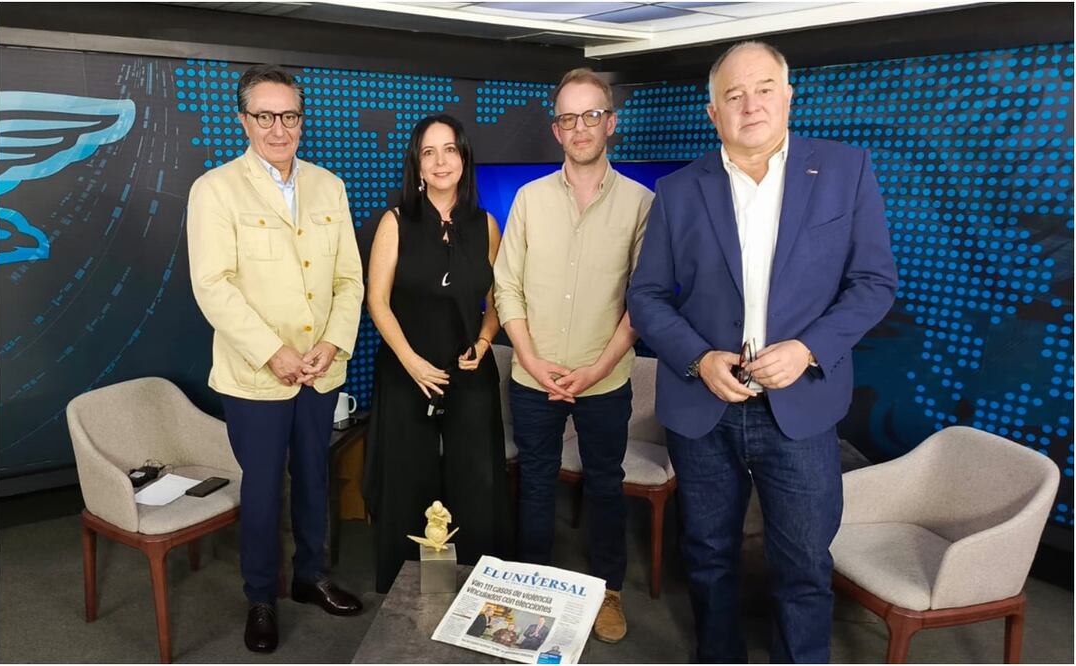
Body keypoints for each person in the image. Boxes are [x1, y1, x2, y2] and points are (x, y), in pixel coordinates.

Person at [627, 41, 898, 662]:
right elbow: (645, 298)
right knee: (709, 556)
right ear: (712, 112)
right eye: (733, 95)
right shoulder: (676, 190)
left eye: (764, 89)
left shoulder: (845, 171)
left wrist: (808, 349)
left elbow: (874, 283)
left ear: (788, 96)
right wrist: (698, 358)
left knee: (803, 562)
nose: (751, 105)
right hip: (705, 407)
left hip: (800, 407)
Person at [187, 64, 365, 654]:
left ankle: (311, 577)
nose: (278, 128)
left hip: (320, 369)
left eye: (289, 115)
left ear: (300, 118)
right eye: (264, 115)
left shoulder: (329, 186)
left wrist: (332, 344)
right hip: (255, 375)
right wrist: (275, 352)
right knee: (263, 489)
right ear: (244, 119)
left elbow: (349, 279)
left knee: (315, 479)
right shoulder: (215, 190)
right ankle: (261, 595)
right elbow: (213, 286)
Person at [494, 67, 653, 645]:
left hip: (603, 379)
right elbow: (507, 286)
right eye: (568, 117)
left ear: (611, 123)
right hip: (535, 375)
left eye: (592, 115)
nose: (580, 127)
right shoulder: (529, 200)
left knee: (605, 484)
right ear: (556, 129)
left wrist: (597, 368)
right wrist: (533, 362)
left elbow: (643, 300)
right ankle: (531, 592)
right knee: (535, 483)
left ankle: (608, 591)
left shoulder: (642, 203)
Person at [363, 114, 511, 594]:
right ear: (418, 165)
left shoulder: (485, 225)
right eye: (430, 152)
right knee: (408, 479)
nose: (441, 161)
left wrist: (485, 342)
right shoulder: (397, 221)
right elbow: (377, 301)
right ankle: (405, 591)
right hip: (408, 370)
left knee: (477, 480)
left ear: (464, 159)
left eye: (450, 150)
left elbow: (501, 300)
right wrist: (410, 361)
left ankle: (478, 587)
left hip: (470, 370)